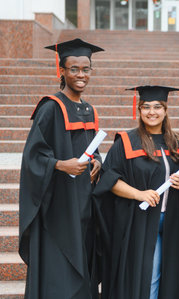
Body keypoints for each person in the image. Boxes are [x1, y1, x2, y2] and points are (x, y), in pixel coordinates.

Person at [19, 38, 104, 298]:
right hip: (57, 207)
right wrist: (58, 164)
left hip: (83, 204)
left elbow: (93, 148)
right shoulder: (50, 108)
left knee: (83, 264)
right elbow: (32, 156)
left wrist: (97, 162)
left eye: (86, 69)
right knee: (60, 272)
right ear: (62, 71)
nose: (81, 75)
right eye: (74, 68)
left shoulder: (89, 110)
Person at [93, 85, 179, 299]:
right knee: (150, 275)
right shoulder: (127, 142)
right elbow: (109, 180)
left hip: (175, 222)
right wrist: (139, 194)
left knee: (173, 276)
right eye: (146, 107)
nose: (151, 112)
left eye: (157, 107)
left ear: (165, 110)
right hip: (142, 222)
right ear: (139, 110)